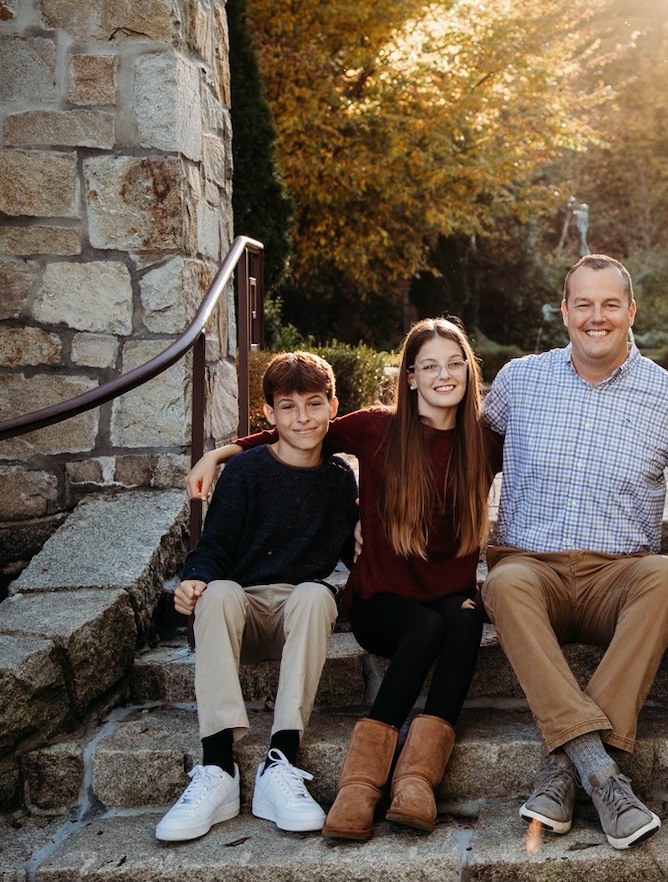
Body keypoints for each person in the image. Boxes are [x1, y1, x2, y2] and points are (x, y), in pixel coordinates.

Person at [185, 319, 499, 841]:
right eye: (429, 366)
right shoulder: (380, 427)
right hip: (383, 600)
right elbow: (303, 428)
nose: (443, 375)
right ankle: (361, 782)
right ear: (411, 377)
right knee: (425, 627)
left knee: (464, 621)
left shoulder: (484, 442)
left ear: (468, 369)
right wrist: (222, 452)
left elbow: (546, 471)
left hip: (448, 591)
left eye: (453, 363)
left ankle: (418, 778)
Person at [480, 253, 668, 850]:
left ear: (631, 311)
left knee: (667, 575)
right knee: (502, 584)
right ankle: (600, 769)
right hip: (533, 571)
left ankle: (565, 768)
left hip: (618, 577)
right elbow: (453, 460)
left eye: (610, 304)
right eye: (583, 304)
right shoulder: (518, 382)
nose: (596, 317)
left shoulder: (667, 397)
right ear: (564, 312)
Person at [157, 351, 358, 842]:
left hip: (296, 617)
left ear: (333, 405)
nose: (303, 417)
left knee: (316, 595)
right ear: (268, 414)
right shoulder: (246, 472)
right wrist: (193, 582)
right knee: (219, 592)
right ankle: (218, 767)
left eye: (314, 404)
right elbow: (214, 547)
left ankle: (280, 762)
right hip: (240, 613)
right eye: (287, 407)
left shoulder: (337, 479)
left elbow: (350, 558)